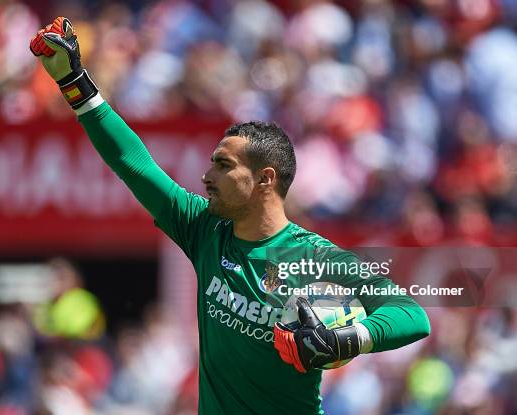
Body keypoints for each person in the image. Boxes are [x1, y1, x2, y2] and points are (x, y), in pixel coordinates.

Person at [30, 17, 430, 414]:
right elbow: (133, 164)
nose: (207, 176)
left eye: (223, 165)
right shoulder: (204, 229)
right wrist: (74, 83)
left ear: (264, 180)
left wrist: (348, 340)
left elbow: (411, 316)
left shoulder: (314, 257)